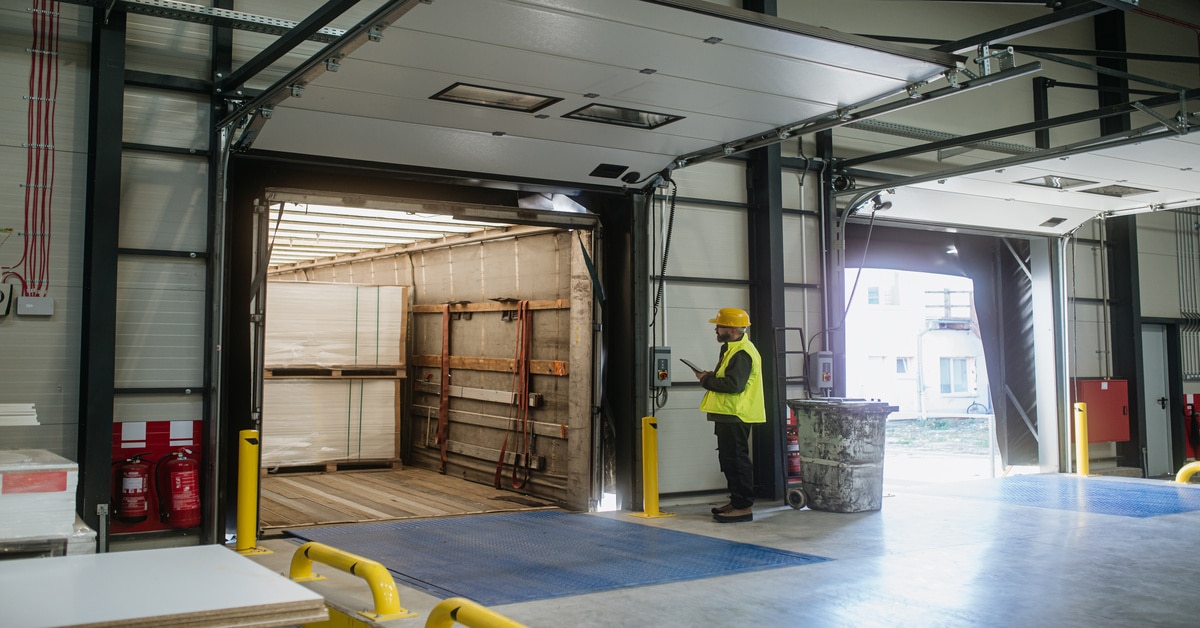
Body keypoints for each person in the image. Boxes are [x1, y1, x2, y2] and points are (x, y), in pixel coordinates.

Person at [694, 307, 766, 523]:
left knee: (737, 460)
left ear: (732, 329)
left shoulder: (742, 352)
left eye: (719, 326)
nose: (716, 329)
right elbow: (730, 378)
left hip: (736, 414)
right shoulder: (731, 348)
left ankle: (743, 507)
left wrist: (705, 380)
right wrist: (712, 375)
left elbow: (734, 385)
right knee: (729, 459)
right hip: (727, 414)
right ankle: (737, 501)